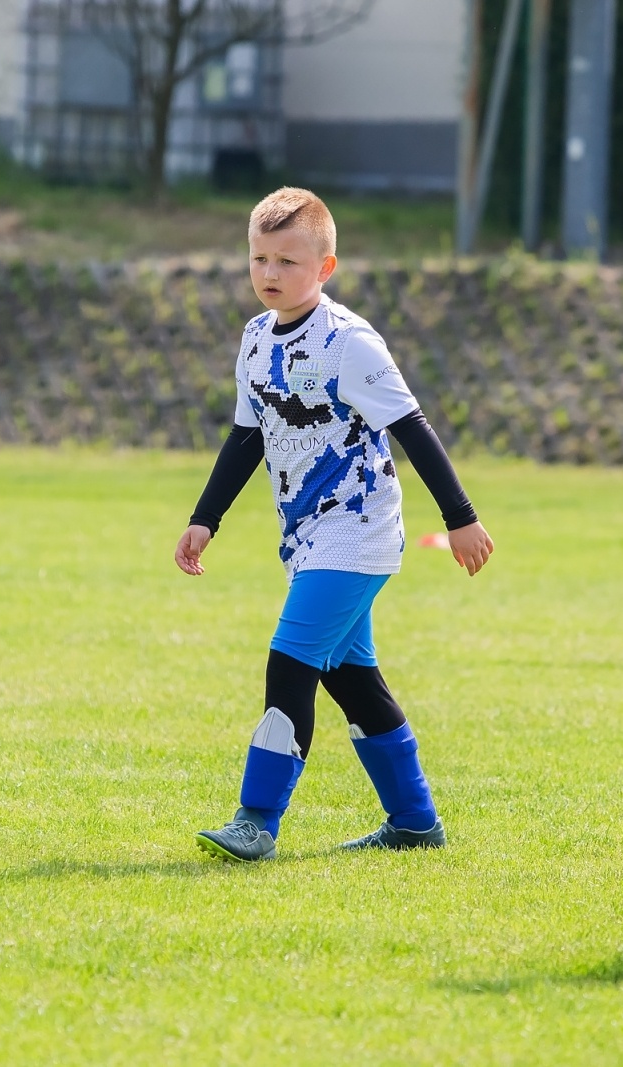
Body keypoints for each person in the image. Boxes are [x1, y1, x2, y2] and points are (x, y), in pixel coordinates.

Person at [178, 187, 495, 862]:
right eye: (259, 258)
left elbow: (413, 427)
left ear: (325, 268)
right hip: (305, 536)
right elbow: (246, 437)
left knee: (288, 660)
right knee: (353, 680)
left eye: (288, 261)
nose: (269, 273)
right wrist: (205, 519)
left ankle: (256, 819)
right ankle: (414, 821)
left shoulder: (348, 342)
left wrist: (461, 518)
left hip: (359, 532)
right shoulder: (256, 337)